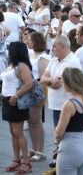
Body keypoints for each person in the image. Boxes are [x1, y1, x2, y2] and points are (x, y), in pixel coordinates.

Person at [55, 68, 83, 175]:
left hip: (71, 148)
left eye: (63, 81)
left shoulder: (69, 104)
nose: (62, 84)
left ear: (69, 83)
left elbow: (59, 133)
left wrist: (57, 143)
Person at [1, 42, 33, 173]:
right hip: (7, 100)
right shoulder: (11, 65)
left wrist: (15, 96)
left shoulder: (22, 66)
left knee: (18, 132)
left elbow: (28, 84)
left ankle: (26, 162)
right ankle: (16, 159)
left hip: (16, 101)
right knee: (12, 132)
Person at [40, 35, 82, 127]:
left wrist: (49, 81)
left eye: (54, 46)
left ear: (63, 46)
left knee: (63, 136)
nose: (51, 49)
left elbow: (58, 84)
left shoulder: (72, 61)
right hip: (57, 105)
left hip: (66, 105)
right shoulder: (54, 60)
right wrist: (51, 79)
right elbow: (42, 79)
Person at [27, 32, 50, 162]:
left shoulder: (42, 57)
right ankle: (34, 148)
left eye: (30, 40)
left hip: (37, 91)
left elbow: (43, 78)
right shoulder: (33, 55)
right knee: (30, 121)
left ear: (36, 42)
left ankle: (40, 150)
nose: (27, 42)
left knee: (37, 122)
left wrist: (36, 94)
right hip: (30, 90)